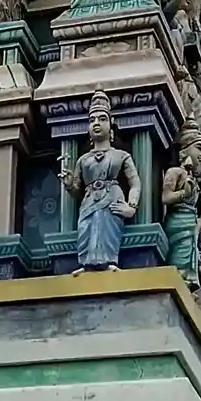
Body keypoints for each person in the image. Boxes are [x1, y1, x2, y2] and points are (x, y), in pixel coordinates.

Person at [61, 94, 140, 271]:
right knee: (86, 229)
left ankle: (109, 262)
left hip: (112, 199)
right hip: (88, 202)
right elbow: (76, 191)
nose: (96, 123)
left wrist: (131, 206)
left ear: (111, 124)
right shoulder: (83, 160)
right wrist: (68, 185)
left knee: (106, 227)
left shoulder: (121, 155)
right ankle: (86, 263)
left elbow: (135, 183)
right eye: (92, 120)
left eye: (102, 119)